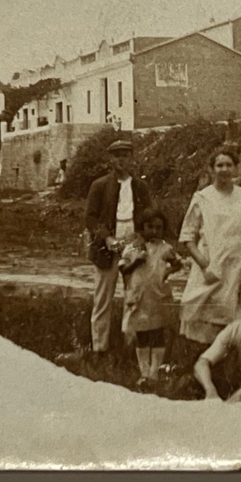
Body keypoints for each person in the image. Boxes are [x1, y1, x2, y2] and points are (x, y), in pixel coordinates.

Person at [178, 147, 241, 348]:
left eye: (228, 165)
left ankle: (235, 369)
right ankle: (205, 365)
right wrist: (203, 264)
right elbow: (187, 236)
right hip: (211, 263)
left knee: (237, 314)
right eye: (219, 165)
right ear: (211, 169)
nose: (224, 169)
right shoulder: (202, 197)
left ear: (235, 168)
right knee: (209, 315)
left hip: (240, 263)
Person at [83, 139, 150, 353]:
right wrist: (107, 239)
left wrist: (141, 237)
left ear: (131, 158)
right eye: (117, 155)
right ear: (111, 159)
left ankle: (131, 347)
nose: (122, 160)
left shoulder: (140, 187)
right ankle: (99, 349)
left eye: (126, 155)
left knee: (134, 296)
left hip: (133, 245)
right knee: (102, 299)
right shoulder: (100, 185)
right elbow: (90, 218)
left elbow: (150, 215)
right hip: (107, 247)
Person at [118, 208, 183, 386]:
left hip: (158, 296)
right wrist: (136, 262)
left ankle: (155, 372)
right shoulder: (133, 248)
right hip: (139, 297)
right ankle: (144, 372)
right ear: (141, 227)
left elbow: (178, 263)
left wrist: (166, 272)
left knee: (157, 332)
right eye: (150, 227)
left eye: (158, 227)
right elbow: (122, 269)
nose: (154, 231)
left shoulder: (165, 248)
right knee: (142, 334)